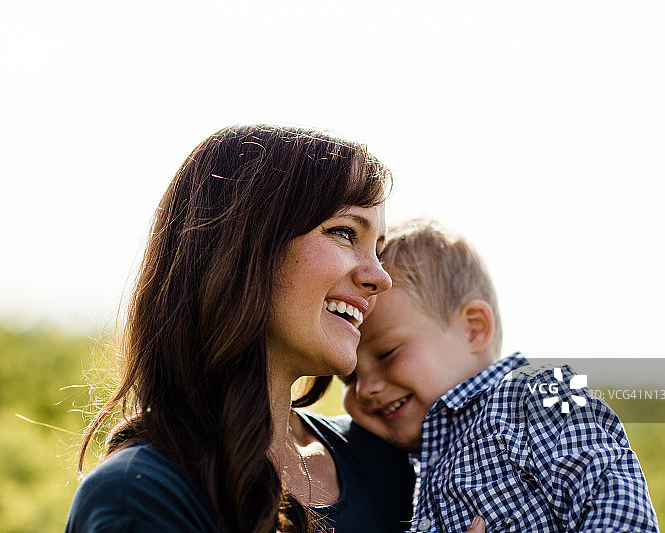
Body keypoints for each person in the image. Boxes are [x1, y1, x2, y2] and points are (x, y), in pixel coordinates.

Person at [64, 125, 455, 533]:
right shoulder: (143, 495)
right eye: (344, 232)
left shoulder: (381, 458)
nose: (380, 277)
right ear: (242, 248)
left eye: (378, 249)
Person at [342, 220, 660, 533]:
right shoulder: (404, 471)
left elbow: (612, 499)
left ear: (474, 328)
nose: (365, 388)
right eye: (349, 376)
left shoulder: (530, 397)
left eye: (387, 353)